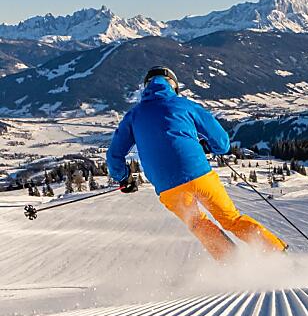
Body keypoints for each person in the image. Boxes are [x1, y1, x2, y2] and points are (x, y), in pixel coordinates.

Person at [106, 66, 287, 261]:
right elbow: (222, 143)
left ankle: (233, 265)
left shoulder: (133, 116)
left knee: (197, 224)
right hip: (199, 175)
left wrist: (124, 178)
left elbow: (114, 154)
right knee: (231, 219)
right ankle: (277, 254)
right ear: (173, 86)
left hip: (168, 188)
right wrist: (210, 146)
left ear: (146, 87)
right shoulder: (185, 105)